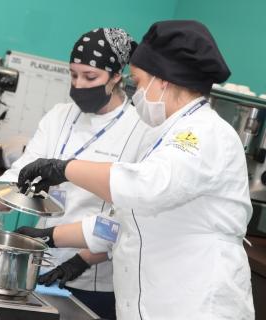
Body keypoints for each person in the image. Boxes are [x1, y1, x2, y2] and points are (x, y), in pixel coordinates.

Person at [15, 20, 255, 320]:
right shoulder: (164, 135)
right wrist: (51, 236)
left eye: (139, 82)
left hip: (195, 306)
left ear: (163, 80)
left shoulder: (204, 133)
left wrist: (66, 169)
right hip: (150, 305)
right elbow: (120, 223)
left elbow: (145, 189)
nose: (135, 91)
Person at [0, 28, 153, 319]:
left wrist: (80, 261)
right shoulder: (60, 116)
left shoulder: (140, 131)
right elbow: (22, 180)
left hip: (96, 281)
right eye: (73, 74)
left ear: (117, 75)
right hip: (40, 267)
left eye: (90, 77)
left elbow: (126, 220)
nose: (79, 85)